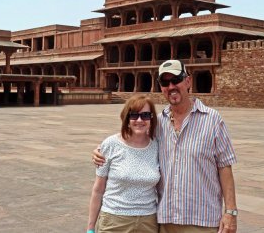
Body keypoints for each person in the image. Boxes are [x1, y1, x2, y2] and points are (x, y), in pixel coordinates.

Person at [93, 60, 238, 233]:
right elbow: (131, 140)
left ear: (188, 81)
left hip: (202, 220)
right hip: (165, 221)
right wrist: (102, 151)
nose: (171, 86)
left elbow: (224, 166)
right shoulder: (158, 123)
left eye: (176, 80)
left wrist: (230, 212)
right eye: (165, 82)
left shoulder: (212, 120)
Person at [86, 94, 160, 233]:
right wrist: (90, 227)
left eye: (145, 115)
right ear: (127, 118)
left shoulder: (157, 146)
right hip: (114, 219)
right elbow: (98, 189)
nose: (139, 120)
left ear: (151, 118)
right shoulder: (111, 144)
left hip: (148, 221)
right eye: (134, 115)